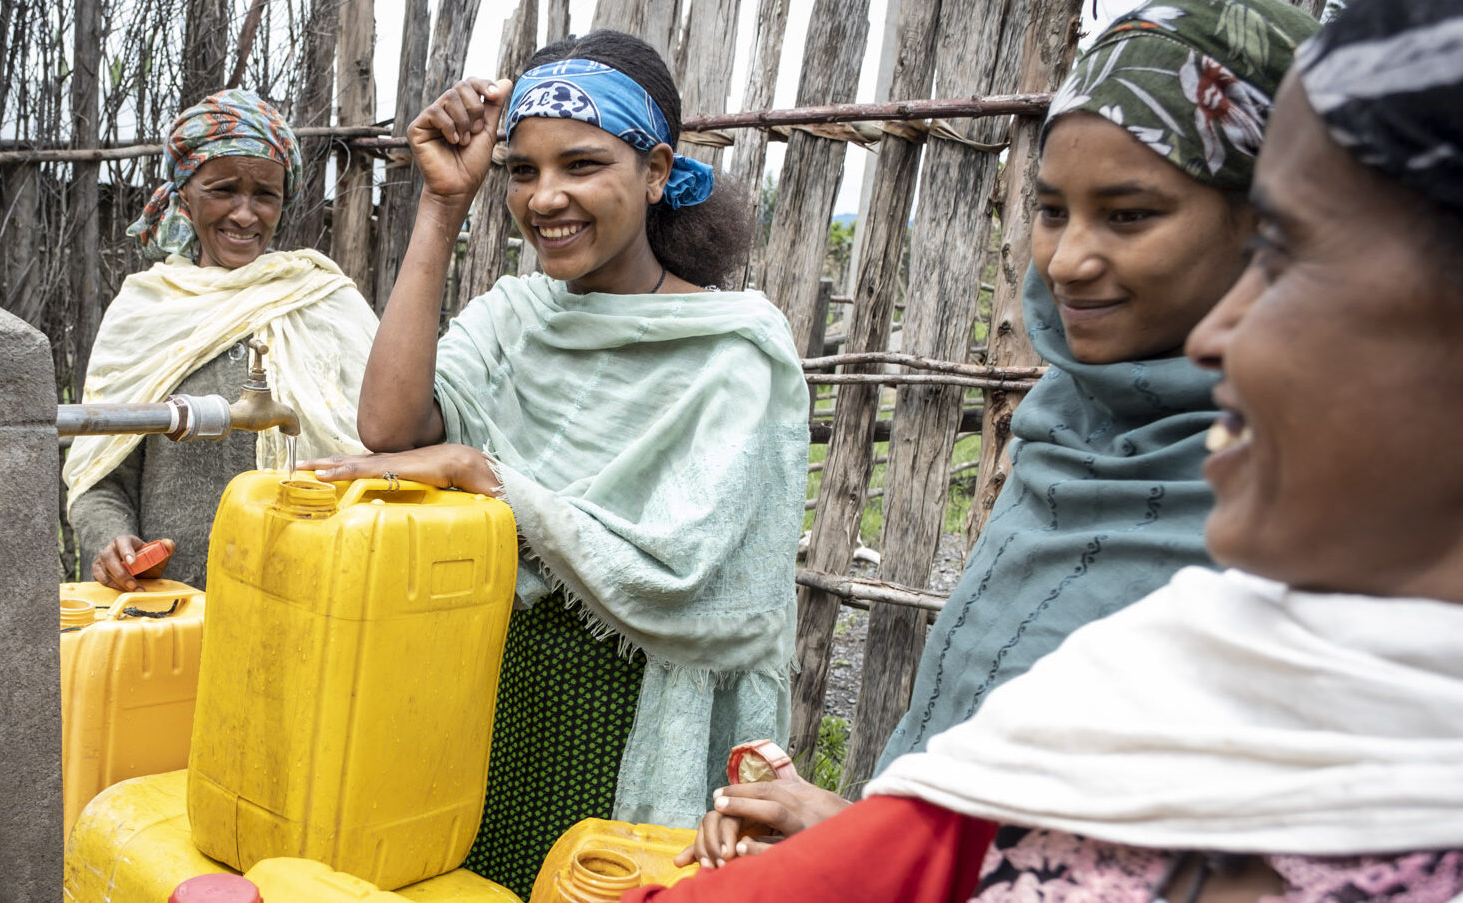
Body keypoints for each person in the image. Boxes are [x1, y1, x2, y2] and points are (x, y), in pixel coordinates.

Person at [630, 0, 1463, 897]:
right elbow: (1018, 812)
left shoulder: (1325, 513)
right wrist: (883, 824)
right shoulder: (1064, 431)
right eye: (1051, 210)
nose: (1066, 261)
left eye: (1132, 214)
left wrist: (894, 841)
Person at [298, 31, 811, 893]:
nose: (546, 198)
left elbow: (698, 584)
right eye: (522, 170)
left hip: (626, 716)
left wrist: (490, 479)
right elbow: (388, 428)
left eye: (581, 165)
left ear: (655, 171)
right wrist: (440, 206)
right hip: (476, 703)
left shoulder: (732, 350)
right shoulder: (515, 318)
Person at [64, 89, 375, 590]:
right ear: (185, 192)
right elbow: (102, 478)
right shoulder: (149, 314)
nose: (245, 214)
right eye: (223, 189)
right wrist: (112, 541)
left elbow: (384, 451)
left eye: (265, 195)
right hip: (179, 609)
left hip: (314, 597)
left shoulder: (324, 302)